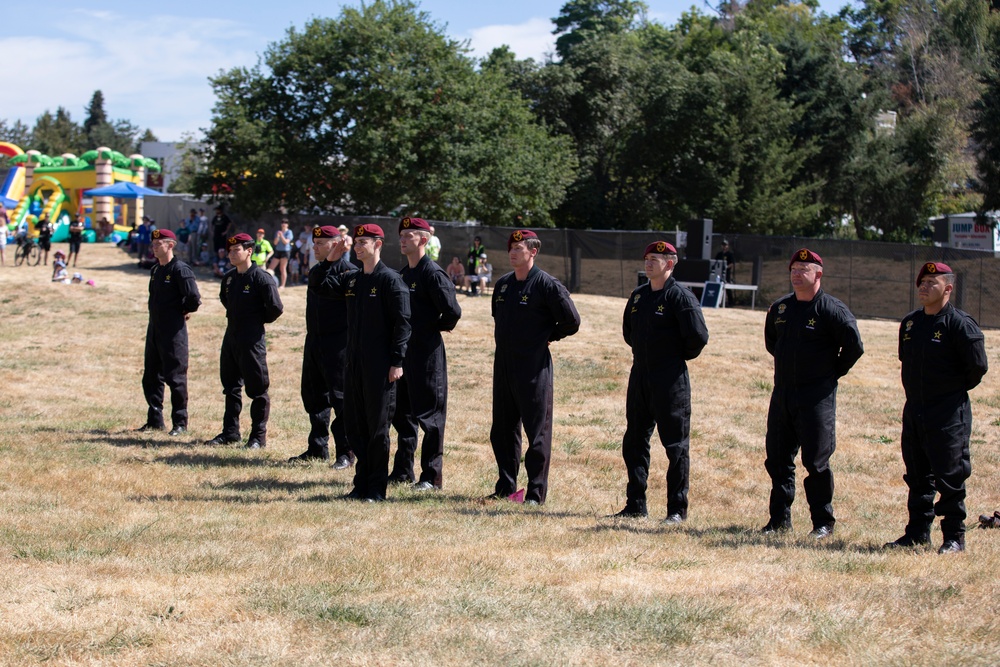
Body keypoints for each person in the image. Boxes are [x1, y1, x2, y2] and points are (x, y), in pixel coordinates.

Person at [884, 262, 988, 554]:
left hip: (947, 413)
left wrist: (948, 393)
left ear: (948, 288)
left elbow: (977, 368)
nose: (924, 287)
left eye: (932, 282)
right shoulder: (911, 323)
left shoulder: (960, 324)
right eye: (922, 282)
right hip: (915, 409)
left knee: (950, 475)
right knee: (917, 475)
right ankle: (917, 532)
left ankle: (954, 537)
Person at [762, 248, 864, 539]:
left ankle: (822, 522)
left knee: (816, 462)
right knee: (778, 459)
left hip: (816, 398)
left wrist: (831, 373)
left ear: (818, 274)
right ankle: (779, 520)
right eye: (793, 269)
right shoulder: (781, 308)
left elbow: (854, 347)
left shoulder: (832, 310)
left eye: (803, 269)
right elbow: (773, 344)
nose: (796, 274)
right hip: (783, 395)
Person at [613, 241, 709, 522]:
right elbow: (629, 333)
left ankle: (676, 510)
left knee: (675, 447)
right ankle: (635, 504)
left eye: (656, 258)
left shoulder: (681, 297)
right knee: (634, 442)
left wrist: (673, 359)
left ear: (670, 263)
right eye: (647, 258)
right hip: (640, 376)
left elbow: (698, 337)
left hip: (670, 381)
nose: (649, 262)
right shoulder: (639, 296)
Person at [318, 223, 411, 501]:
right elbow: (322, 285)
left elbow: (403, 324)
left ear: (378, 245)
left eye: (364, 242)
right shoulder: (354, 280)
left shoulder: (391, 281)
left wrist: (397, 361)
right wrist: (334, 255)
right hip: (354, 364)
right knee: (356, 426)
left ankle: (376, 489)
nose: (358, 247)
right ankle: (360, 485)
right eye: (356, 243)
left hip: (380, 366)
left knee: (377, 428)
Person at [488, 230, 581, 505]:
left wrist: (548, 336)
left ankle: (535, 493)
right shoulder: (503, 285)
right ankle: (506, 486)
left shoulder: (546, 285)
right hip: (504, 367)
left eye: (519, 248)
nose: (513, 252)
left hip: (533, 369)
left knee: (537, 432)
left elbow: (571, 321)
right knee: (502, 431)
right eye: (511, 248)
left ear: (533, 251)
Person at [388, 217, 462, 490]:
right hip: (404, 354)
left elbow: (452, 312)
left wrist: (431, 329)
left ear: (424, 239)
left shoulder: (433, 273)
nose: (403, 239)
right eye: (402, 234)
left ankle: (431, 477)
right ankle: (403, 470)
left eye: (410, 234)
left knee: (430, 418)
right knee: (403, 416)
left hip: (427, 355)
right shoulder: (402, 274)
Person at [205, 233, 284, 449]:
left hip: (252, 340)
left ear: (249, 251)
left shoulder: (261, 278)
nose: (231, 254)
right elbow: (225, 300)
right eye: (229, 250)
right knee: (230, 387)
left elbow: (275, 308)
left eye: (236, 250)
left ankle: (258, 437)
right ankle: (230, 432)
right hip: (231, 337)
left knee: (257, 390)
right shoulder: (230, 278)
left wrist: (257, 321)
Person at [288, 226, 356, 468]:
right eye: (314, 243)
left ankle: (346, 453)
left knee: (340, 398)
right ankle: (317, 448)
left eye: (320, 243)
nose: (313, 247)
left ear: (335, 244)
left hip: (339, 344)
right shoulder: (318, 270)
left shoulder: (350, 272)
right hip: (314, 340)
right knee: (314, 396)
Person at [136, 229, 202, 436]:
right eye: (153, 245)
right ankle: (155, 419)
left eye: (159, 244)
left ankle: (180, 423)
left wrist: (183, 310)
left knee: (175, 378)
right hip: (154, 330)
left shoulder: (180, 270)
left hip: (173, 332)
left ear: (170, 245)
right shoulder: (156, 270)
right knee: (151, 377)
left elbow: (193, 298)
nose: (154, 248)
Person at [268, 219, 294, 288]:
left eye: (285, 223)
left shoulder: (289, 232)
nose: (283, 224)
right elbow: (275, 243)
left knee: (282, 268)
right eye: (282, 222)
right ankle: (268, 283)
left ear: (287, 224)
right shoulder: (278, 232)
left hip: (285, 251)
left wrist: (281, 235)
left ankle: (282, 285)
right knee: (270, 268)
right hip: (278, 251)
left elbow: (286, 242)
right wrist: (278, 236)